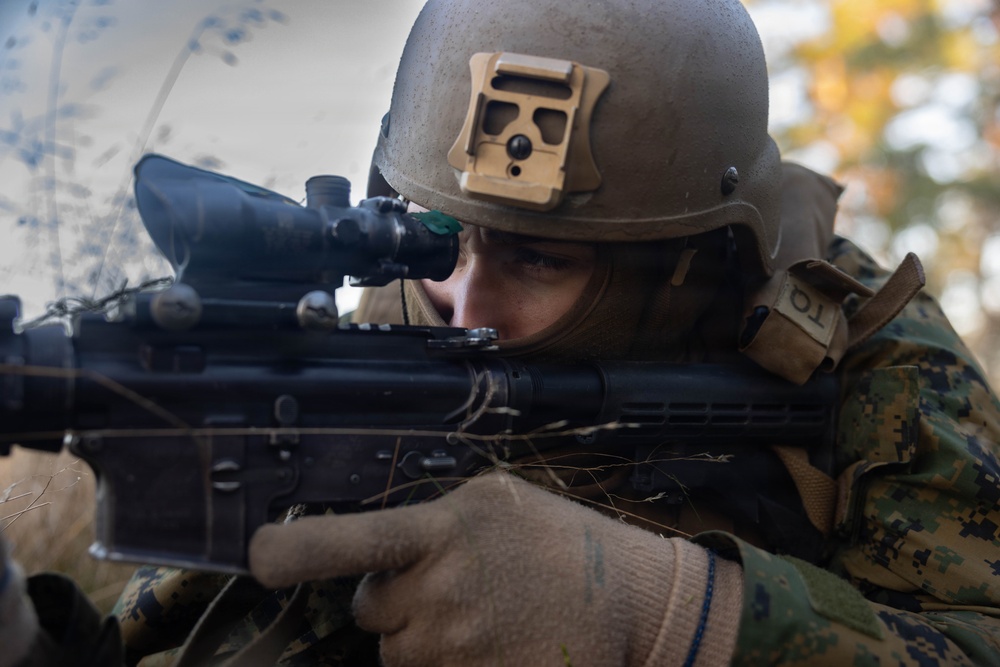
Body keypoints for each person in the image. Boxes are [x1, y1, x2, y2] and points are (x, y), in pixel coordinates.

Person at [4, 0, 1000, 664]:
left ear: (683, 266)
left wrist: (664, 611)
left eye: (538, 259)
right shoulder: (375, 340)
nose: (467, 304)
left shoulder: (861, 355)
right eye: (442, 243)